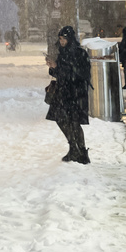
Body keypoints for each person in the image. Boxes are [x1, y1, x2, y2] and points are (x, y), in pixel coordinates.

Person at [45, 25, 90, 163]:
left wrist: (58, 68)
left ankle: (81, 152)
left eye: (63, 38)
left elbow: (79, 74)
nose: (61, 41)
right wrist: (52, 68)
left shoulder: (80, 53)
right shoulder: (62, 52)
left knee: (74, 122)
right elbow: (60, 74)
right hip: (63, 92)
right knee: (61, 119)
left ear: (70, 38)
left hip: (76, 93)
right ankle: (74, 148)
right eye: (60, 38)